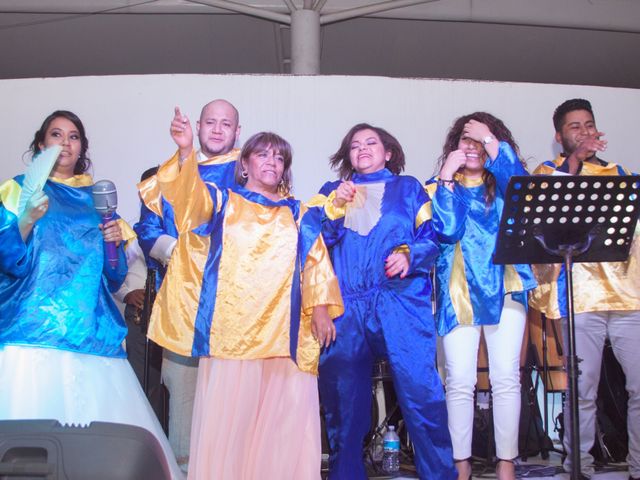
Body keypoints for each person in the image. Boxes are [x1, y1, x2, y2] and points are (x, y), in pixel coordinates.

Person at [148, 108, 344, 480]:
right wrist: (188, 151)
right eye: (263, 153)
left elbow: (315, 259)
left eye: (279, 156)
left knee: (283, 430)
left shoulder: (299, 213)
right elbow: (188, 201)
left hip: (284, 336)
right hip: (233, 337)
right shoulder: (222, 203)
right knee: (230, 431)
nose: (272, 160)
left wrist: (320, 308)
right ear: (245, 163)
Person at [0, 110, 183, 479]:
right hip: (30, 330)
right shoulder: (18, 189)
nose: (65, 143)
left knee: (103, 458)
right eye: (56, 134)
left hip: (91, 331)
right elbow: (8, 262)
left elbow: (114, 277)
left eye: (73, 136)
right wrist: (25, 221)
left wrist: (114, 244)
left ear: (82, 146)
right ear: (41, 143)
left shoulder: (96, 200)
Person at [315, 123, 456, 480]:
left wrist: (411, 254)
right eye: (355, 145)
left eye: (371, 142)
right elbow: (314, 243)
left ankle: (439, 474)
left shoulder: (408, 189)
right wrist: (335, 207)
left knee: (421, 394)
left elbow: (433, 235)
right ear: (348, 156)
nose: (362, 148)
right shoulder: (332, 191)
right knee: (343, 405)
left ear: (388, 152)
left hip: (400, 302)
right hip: (346, 307)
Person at [530, 98, 640, 480]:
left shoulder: (619, 172)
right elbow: (548, 220)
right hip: (580, 298)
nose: (584, 131)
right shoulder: (547, 172)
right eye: (575, 126)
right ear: (559, 136)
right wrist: (576, 162)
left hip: (628, 296)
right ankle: (580, 468)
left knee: (639, 389)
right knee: (582, 391)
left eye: (589, 124)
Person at [426, 112, 536, 480]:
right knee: (459, 380)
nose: (473, 147)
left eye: (481, 140)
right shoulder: (439, 186)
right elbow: (449, 228)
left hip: (505, 284)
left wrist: (490, 139)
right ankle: (461, 464)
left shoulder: (507, 184)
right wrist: (445, 178)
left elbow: (523, 188)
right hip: (459, 290)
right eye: (466, 140)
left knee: (506, 377)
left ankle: (506, 463)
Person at [134, 99, 241, 472]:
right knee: (182, 397)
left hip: (235, 312)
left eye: (225, 123)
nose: (217, 129)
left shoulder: (249, 176)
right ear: (197, 126)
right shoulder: (167, 176)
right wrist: (181, 253)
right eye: (210, 122)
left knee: (233, 406)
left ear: (237, 132)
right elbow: (147, 231)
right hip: (181, 308)